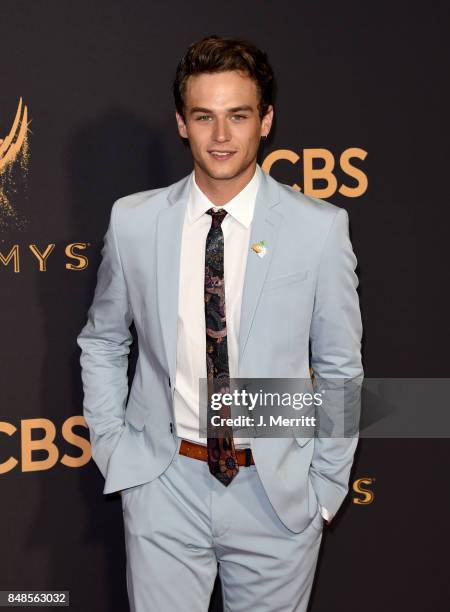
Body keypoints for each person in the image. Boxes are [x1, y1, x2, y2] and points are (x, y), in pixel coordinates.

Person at [77, 34, 363, 612]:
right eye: (205, 116)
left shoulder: (319, 228)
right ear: (182, 123)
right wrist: (116, 452)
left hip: (275, 495)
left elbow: (339, 367)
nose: (223, 135)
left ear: (267, 120)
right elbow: (104, 340)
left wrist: (325, 489)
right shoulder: (134, 221)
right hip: (165, 484)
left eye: (239, 115)